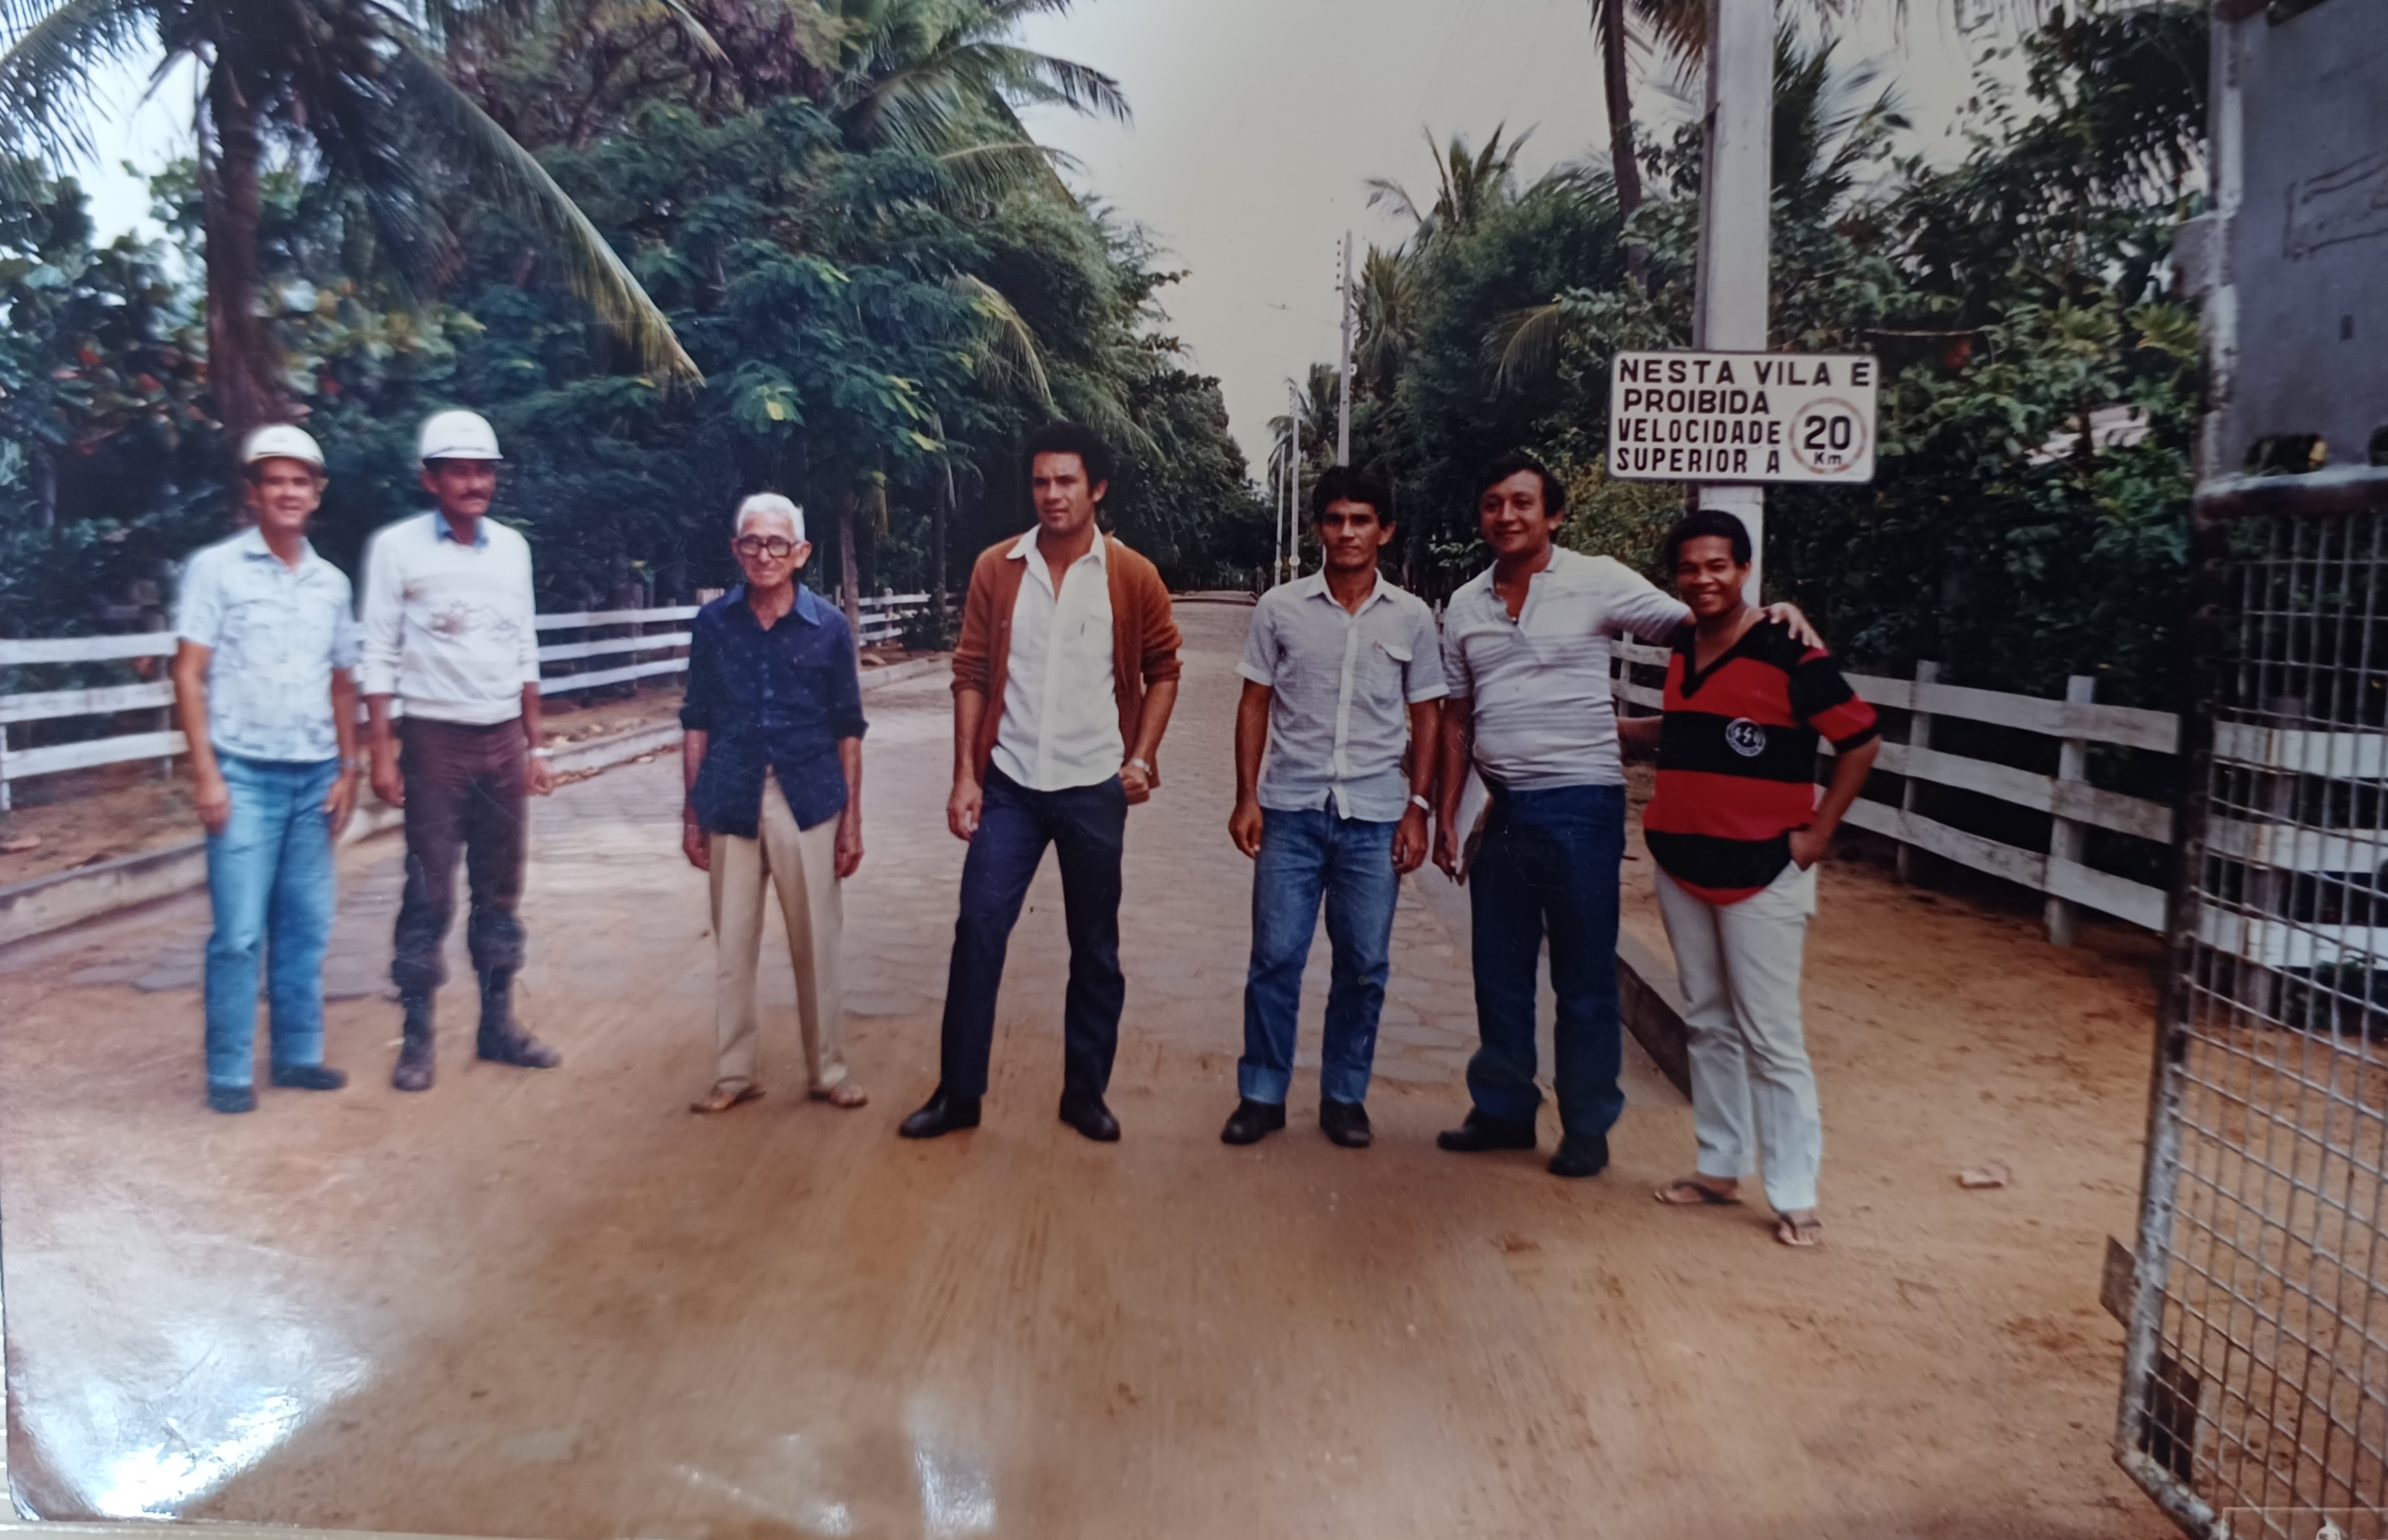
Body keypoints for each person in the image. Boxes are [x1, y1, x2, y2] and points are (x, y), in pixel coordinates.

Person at [1431, 451, 1818, 1178]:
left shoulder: (1597, 578)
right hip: (1501, 810)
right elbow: (1457, 714)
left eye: (1522, 502)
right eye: (1493, 503)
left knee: (1583, 974)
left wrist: (1771, 615)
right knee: (1499, 970)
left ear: (1554, 514)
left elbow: (1698, 624)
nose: (1507, 515)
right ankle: (1504, 1109)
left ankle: (1587, 1125)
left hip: (1582, 805)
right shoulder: (1464, 603)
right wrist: (1447, 815)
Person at [900, 422, 1183, 1142]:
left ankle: (1085, 1094)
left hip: (1094, 789)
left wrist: (1141, 757)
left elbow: (1164, 669)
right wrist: (965, 776)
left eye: (1067, 481)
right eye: (1041, 482)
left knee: (1095, 946)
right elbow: (971, 673)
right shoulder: (997, 568)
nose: (1052, 494)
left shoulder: (1131, 576)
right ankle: (959, 1094)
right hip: (1011, 787)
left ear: (1097, 488)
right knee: (978, 925)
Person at [1626, 509, 1879, 1247]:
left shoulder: (1788, 648)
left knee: (1771, 1035)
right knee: (1706, 1019)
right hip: (1682, 861)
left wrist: (1818, 833)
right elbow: (1689, 727)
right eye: (1688, 568)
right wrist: (1613, 730)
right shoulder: (1684, 645)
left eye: (1717, 566)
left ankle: (1795, 1193)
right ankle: (1719, 1166)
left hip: (1764, 867)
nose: (1702, 579)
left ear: (1743, 569)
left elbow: (1860, 739)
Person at [1220, 466, 1444, 1149]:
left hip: (1374, 818)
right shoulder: (1280, 609)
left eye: (1361, 520)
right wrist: (1246, 796)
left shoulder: (1411, 617)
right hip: (1290, 810)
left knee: (1364, 964)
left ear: (1385, 531)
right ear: (1319, 528)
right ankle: (1261, 1093)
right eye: (1336, 520)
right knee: (1275, 958)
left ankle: (1345, 1096)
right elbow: (1255, 702)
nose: (1347, 532)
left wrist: (1418, 807)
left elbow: (1427, 715)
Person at [360, 409, 560, 1092]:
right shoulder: (396, 549)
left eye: (484, 471)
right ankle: (417, 1036)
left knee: (500, 888)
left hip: (502, 739)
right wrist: (380, 752)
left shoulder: (512, 549)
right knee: (429, 890)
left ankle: (497, 1025)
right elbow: (377, 652)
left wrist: (536, 746)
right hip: (433, 741)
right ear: (431, 479)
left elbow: (525, 645)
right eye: (459, 471)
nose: (474, 483)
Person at [171, 425, 362, 1114]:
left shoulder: (331, 584)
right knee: (239, 932)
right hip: (243, 776)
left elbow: (342, 681)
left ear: (317, 493)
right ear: (253, 493)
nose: (288, 492)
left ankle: (298, 1054)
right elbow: (188, 674)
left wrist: (348, 769)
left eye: (299, 481)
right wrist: (207, 774)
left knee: (305, 926)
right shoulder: (216, 570)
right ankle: (229, 1069)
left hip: (315, 778)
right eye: (274, 480)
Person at [679, 494, 869, 1115]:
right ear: (736, 550)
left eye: (777, 543)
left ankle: (828, 1070)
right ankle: (735, 1074)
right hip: (729, 796)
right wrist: (691, 813)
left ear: (801, 552)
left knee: (817, 943)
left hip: (808, 799)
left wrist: (851, 822)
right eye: (753, 542)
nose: (765, 554)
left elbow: (848, 728)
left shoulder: (828, 627)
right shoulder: (714, 625)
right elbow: (696, 719)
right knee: (732, 945)